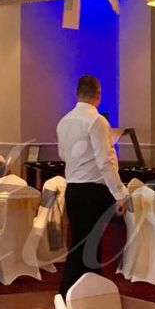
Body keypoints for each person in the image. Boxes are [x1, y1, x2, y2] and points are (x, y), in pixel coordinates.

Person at [55, 75, 127, 295]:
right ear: (98, 95)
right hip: (93, 191)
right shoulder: (97, 121)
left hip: (73, 189)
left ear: (77, 94)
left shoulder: (64, 121)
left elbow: (63, 155)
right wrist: (119, 193)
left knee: (84, 246)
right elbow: (105, 160)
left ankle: (89, 301)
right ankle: (75, 298)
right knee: (87, 249)